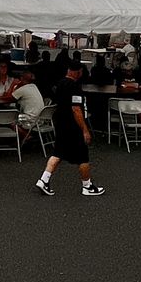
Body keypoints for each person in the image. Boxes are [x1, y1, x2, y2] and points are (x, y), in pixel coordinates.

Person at [36, 57, 103, 198]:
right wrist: (85, 129)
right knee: (83, 157)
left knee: (58, 153)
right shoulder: (74, 87)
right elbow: (76, 109)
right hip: (73, 126)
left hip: (60, 124)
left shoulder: (60, 84)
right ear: (78, 72)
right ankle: (87, 186)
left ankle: (44, 179)